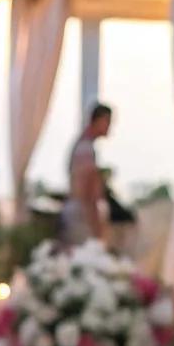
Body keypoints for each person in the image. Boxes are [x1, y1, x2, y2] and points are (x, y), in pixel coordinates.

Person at [61, 102, 112, 244]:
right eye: (108, 121)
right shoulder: (85, 148)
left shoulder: (83, 144)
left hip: (77, 212)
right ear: (98, 120)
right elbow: (88, 191)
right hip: (81, 216)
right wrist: (97, 226)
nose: (110, 126)